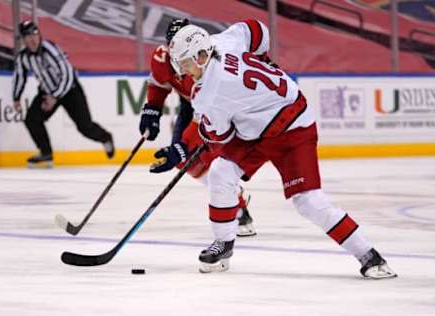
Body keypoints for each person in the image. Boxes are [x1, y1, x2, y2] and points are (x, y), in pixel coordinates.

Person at [168, 20, 397, 279]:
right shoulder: (222, 42)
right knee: (221, 171)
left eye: (186, 63)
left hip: (291, 128)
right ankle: (224, 245)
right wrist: (263, 59)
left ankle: (370, 256)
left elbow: (221, 135)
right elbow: (254, 28)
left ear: (201, 55)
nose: (184, 71)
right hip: (259, 124)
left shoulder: (209, 92)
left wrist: (204, 134)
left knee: (308, 201)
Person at [139, 18, 259, 237]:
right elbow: (159, 83)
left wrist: (184, 144)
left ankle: (236, 204)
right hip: (190, 105)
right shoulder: (162, 57)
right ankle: (232, 194)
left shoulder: (211, 64)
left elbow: (204, 115)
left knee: (214, 161)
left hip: (220, 109)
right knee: (183, 158)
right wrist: (152, 108)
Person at [12, 20, 114, 168]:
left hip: (70, 90)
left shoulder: (51, 49)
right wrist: (16, 98)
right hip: (47, 92)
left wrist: (55, 96)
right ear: (23, 39)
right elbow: (19, 77)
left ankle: (105, 138)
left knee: (85, 127)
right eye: (28, 36)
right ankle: (46, 153)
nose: (33, 38)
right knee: (32, 119)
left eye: (34, 33)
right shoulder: (23, 57)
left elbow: (67, 74)